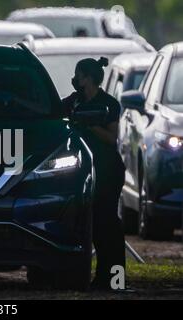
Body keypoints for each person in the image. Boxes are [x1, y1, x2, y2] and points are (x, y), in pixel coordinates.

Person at [62, 57, 126, 291]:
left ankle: (115, 279)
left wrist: (90, 126)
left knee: (107, 224)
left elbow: (111, 138)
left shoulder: (109, 104)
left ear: (87, 78)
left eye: (78, 75)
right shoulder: (73, 101)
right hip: (83, 169)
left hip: (108, 169)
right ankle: (97, 278)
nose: (75, 80)